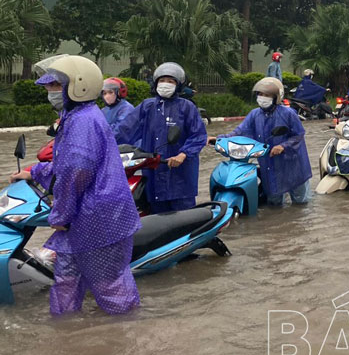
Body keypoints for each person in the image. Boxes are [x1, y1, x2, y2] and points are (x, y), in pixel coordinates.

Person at [11, 55, 140, 316]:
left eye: (55, 86)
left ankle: (127, 342)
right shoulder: (74, 116)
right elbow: (64, 165)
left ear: (78, 86)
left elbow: (76, 174)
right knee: (66, 283)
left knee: (110, 289)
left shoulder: (84, 121)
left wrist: (60, 215)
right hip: (84, 220)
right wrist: (34, 171)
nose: (50, 92)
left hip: (98, 219)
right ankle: (65, 337)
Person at [115, 62, 207, 212]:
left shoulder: (187, 107)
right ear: (156, 82)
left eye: (170, 81)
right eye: (162, 80)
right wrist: (105, 145)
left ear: (178, 85)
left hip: (180, 177)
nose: (165, 84)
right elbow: (125, 130)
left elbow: (198, 135)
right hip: (154, 175)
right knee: (157, 222)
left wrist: (183, 155)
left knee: (184, 222)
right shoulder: (147, 106)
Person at [213, 77, 312, 205]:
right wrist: (220, 138)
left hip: (292, 162)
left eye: (267, 95)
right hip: (269, 162)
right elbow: (240, 131)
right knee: (273, 201)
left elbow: (299, 135)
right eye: (260, 94)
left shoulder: (288, 113)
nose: (262, 97)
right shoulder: (254, 114)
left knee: (300, 203)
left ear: (276, 97)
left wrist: (283, 146)